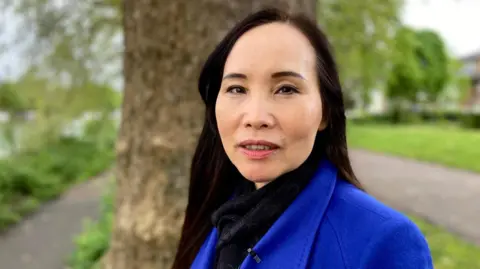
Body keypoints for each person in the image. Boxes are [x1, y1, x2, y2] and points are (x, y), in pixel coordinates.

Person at [172, 7, 433, 269]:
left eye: (286, 89)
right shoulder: (217, 216)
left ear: (325, 112)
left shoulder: (384, 241)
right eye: (236, 88)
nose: (255, 117)